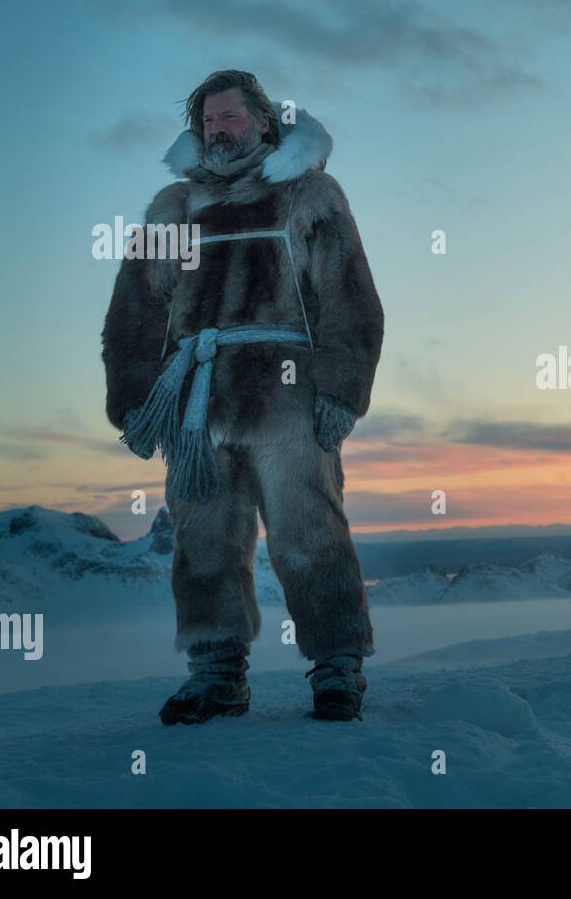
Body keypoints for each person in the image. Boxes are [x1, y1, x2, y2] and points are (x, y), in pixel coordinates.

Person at [101, 70, 383, 722]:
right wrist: (134, 398)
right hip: (198, 406)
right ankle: (217, 672)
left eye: (229, 117)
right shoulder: (176, 209)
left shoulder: (305, 195)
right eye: (207, 122)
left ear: (262, 122)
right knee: (203, 538)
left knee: (308, 531)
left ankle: (338, 667)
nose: (217, 130)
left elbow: (350, 299)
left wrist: (342, 390)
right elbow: (136, 311)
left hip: (288, 399)